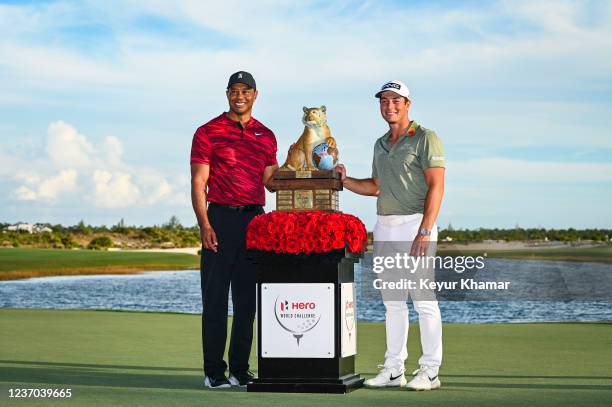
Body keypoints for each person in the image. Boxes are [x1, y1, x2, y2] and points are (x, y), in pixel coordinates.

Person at [335, 80, 445, 391]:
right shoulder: (380, 143)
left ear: (408, 104)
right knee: (393, 303)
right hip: (385, 225)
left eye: (396, 100)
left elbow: (436, 185)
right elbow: (375, 186)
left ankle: (430, 372)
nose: (389, 106)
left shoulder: (426, 138)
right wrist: (344, 180)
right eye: (384, 100)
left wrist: (425, 229)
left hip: (415, 226)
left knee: (423, 301)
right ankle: (394, 368)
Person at [190, 71, 278, 389]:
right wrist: (205, 224)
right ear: (228, 94)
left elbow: (271, 182)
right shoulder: (208, 132)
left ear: (255, 94)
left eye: (246, 90)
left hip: (255, 222)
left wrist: (307, 168)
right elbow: (199, 183)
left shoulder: (266, 135)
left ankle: (240, 369)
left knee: (246, 303)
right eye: (234, 90)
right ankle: (214, 372)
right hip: (220, 219)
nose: (239, 95)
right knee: (214, 300)